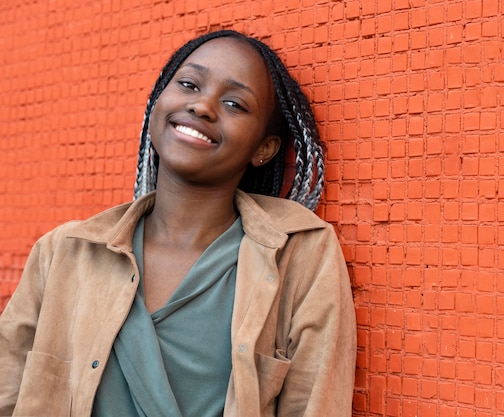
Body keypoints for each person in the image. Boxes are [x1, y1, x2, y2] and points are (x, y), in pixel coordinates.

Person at [0, 29, 356, 417]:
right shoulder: (64, 252)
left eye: (235, 104)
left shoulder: (299, 252)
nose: (202, 106)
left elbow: (316, 403)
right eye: (188, 84)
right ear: (157, 105)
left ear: (264, 149)